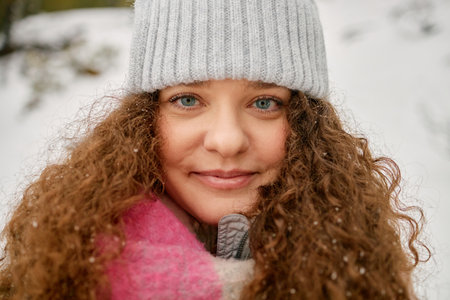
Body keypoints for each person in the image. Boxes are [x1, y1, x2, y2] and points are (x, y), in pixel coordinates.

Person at [0, 0, 429, 299]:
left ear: (307, 125)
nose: (226, 140)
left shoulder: (354, 274)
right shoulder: (62, 275)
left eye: (265, 103)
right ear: (143, 121)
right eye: (188, 100)